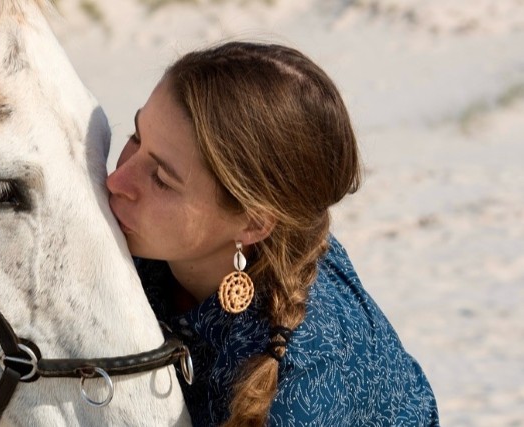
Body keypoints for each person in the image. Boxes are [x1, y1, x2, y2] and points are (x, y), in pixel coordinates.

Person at [106, 41, 439, 426]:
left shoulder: (302, 384)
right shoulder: (151, 240)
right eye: (136, 136)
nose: (117, 180)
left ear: (252, 223)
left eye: (162, 179)